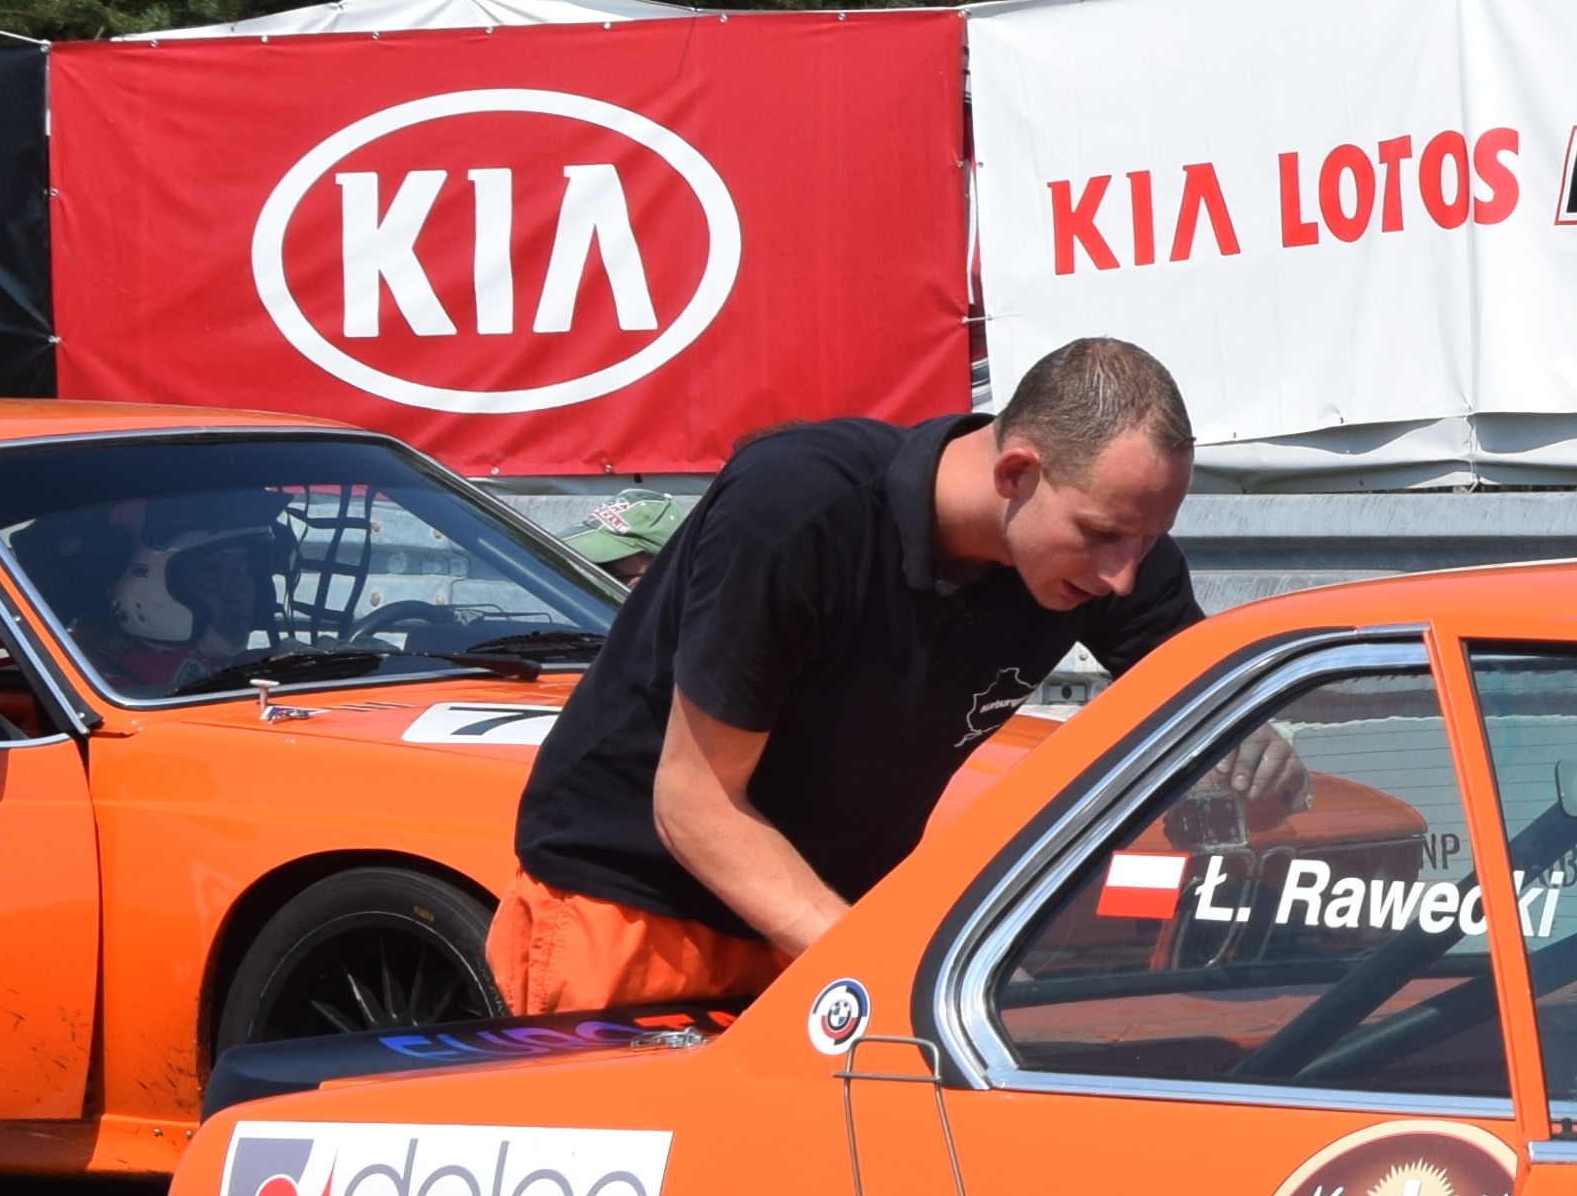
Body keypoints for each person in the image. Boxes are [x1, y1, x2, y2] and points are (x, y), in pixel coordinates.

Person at [488, 340, 1209, 1019]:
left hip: (827, 918)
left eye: (1149, 538)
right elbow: (694, 805)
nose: (1124, 575)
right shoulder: (798, 506)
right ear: (1016, 473)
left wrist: (1252, 770)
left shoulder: (1111, 554)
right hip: (634, 914)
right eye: (1104, 534)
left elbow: (1213, 715)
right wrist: (892, 967)